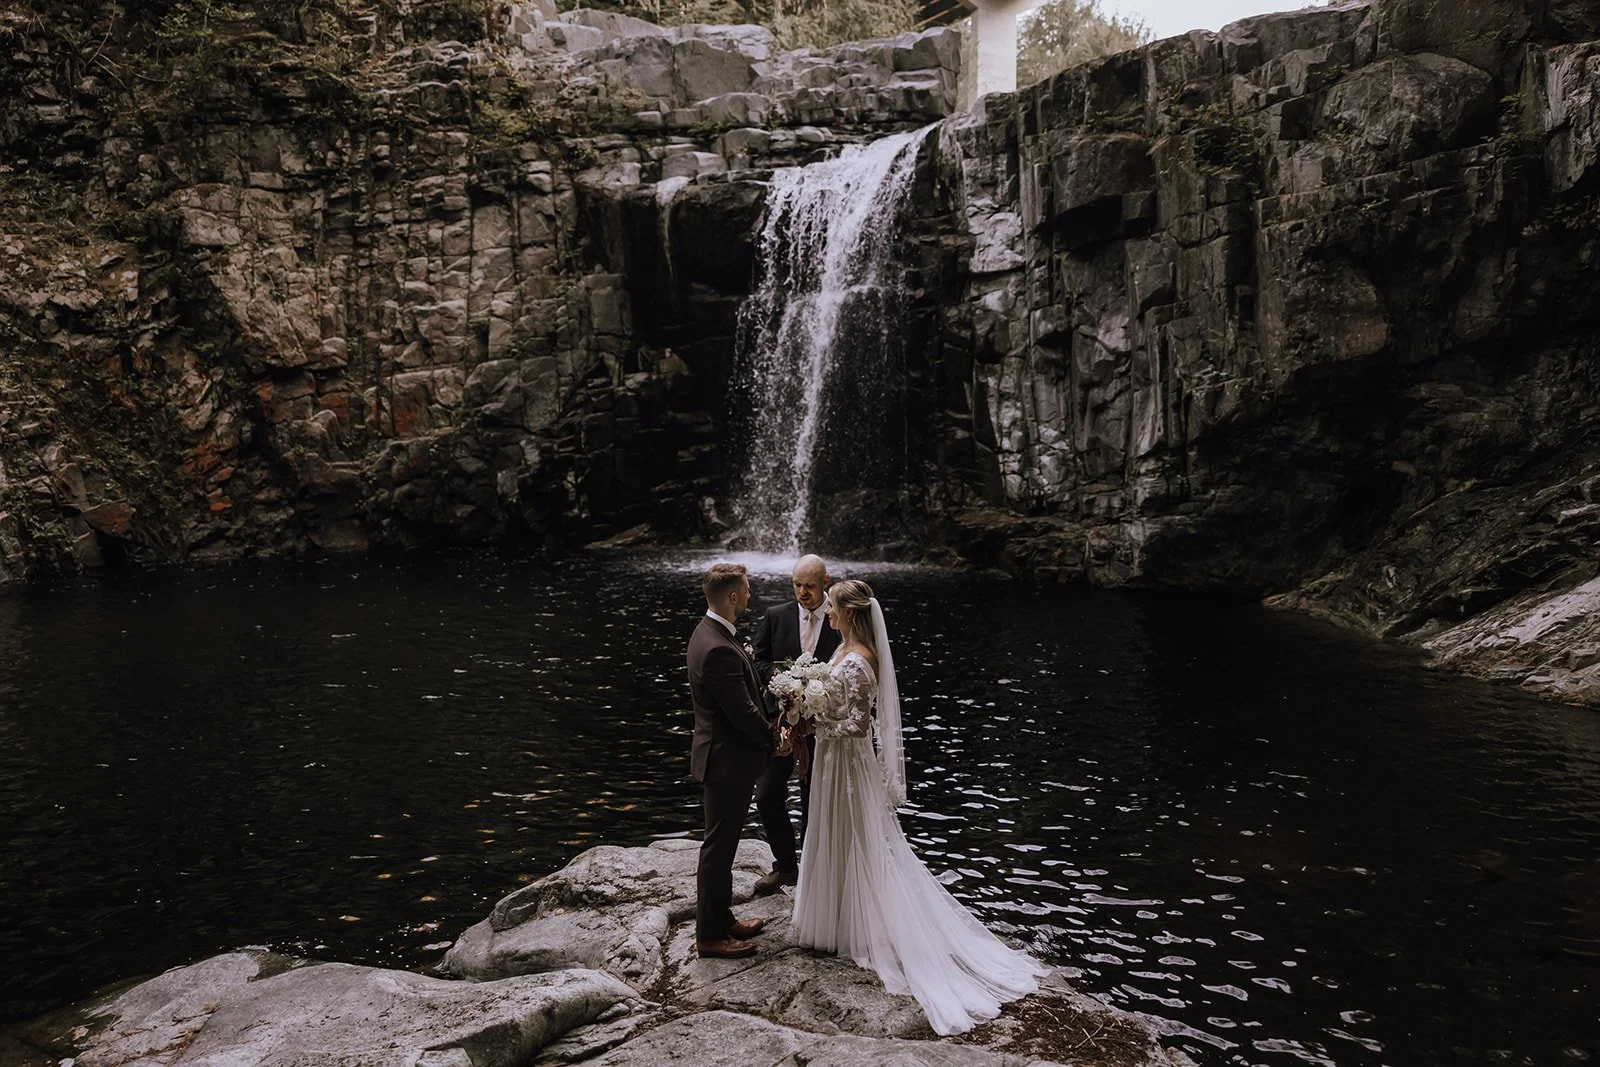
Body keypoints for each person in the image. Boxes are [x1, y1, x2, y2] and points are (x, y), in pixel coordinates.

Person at [791, 579, 1046, 1034]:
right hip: (835, 762)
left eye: (831, 607)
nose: (826, 613)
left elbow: (855, 724)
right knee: (832, 831)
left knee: (850, 835)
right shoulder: (844, 649)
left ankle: (854, 926)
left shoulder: (859, 661)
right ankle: (835, 921)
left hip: (847, 763)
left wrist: (814, 719)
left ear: (848, 613)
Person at [685, 562, 771, 959]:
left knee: (724, 845)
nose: (751, 595)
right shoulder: (718, 646)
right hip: (725, 762)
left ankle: (722, 918)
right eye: (748, 590)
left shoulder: (710, 632)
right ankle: (709, 936)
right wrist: (778, 737)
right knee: (717, 849)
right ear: (733, 596)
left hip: (723, 757)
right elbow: (743, 714)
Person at [750, 553, 840, 894]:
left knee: (813, 801)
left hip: (823, 730)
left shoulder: (839, 615)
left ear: (825, 582)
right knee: (768, 795)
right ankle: (786, 866)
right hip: (783, 726)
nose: (803, 592)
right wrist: (779, 680)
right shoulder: (776, 615)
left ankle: (817, 874)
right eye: (797, 585)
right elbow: (758, 657)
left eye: (810, 586)